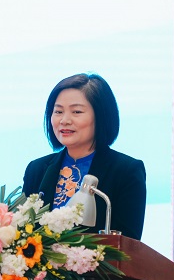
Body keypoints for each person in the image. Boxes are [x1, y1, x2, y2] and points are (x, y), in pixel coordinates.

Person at [22, 73, 147, 240]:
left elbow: (128, 245)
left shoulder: (126, 171)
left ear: (101, 116)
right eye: (58, 111)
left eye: (76, 111)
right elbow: (22, 233)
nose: (64, 120)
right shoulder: (37, 169)